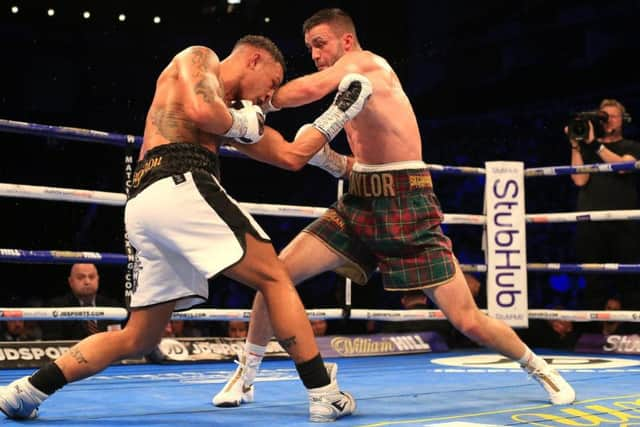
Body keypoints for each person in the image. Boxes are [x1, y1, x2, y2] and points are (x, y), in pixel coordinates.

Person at [214, 8, 575, 408]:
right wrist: (333, 163)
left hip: (408, 203)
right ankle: (244, 377)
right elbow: (366, 162)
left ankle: (539, 367)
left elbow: (308, 89)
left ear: (346, 41)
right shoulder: (351, 94)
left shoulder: (365, 65)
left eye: (321, 44)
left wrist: (260, 96)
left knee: (467, 319)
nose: (315, 55)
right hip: (359, 202)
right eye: (310, 49)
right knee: (275, 275)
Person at [0, 35, 370, 422]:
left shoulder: (231, 115)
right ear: (254, 60)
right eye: (272, 84)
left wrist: (338, 113)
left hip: (148, 207)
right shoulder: (200, 59)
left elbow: (290, 156)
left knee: (138, 337)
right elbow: (203, 111)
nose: (268, 96)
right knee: (275, 275)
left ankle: (27, 390)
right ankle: (323, 392)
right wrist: (242, 121)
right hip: (177, 180)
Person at [567, 98, 640, 310]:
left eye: (612, 116)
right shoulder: (588, 148)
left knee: (629, 280)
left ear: (623, 120)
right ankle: (592, 338)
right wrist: (575, 144)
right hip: (591, 222)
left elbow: (623, 166)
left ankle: (633, 333)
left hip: (623, 223)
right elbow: (579, 179)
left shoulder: (632, 146)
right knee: (593, 281)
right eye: (603, 116)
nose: (607, 121)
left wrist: (595, 146)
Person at [43, 263, 122, 340]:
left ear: (98, 279)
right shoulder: (57, 307)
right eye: (81, 277)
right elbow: (53, 342)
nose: (87, 282)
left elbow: (117, 340)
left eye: (91, 277)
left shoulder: (111, 306)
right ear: (71, 282)